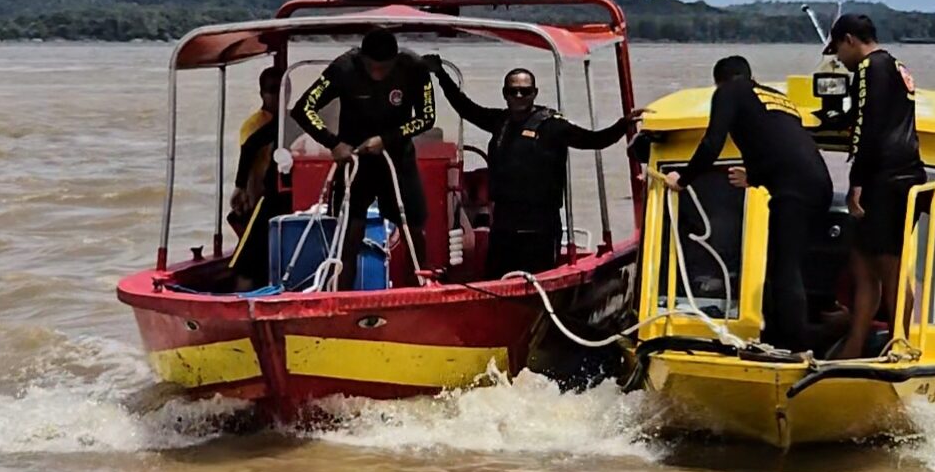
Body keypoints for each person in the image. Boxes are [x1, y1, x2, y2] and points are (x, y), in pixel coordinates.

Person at [663, 56, 834, 352]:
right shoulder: (776, 98)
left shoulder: (729, 91)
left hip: (793, 188)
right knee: (784, 263)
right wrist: (754, 176)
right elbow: (783, 145)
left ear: (720, 80)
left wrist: (684, 179)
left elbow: (712, 143)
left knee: (785, 268)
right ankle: (779, 337)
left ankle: (795, 346)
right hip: (817, 182)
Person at [423, 54, 645, 279]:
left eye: (525, 91)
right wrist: (440, 73)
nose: (519, 96)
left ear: (534, 93)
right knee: (497, 278)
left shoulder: (553, 126)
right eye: (513, 91)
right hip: (504, 223)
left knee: (538, 278)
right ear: (505, 94)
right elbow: (466, 108)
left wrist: (622, 125)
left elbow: (594, 140)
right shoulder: (500, 121)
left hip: (540, 225)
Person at [291, 27, 436, 289]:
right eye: (373, 68)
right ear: (362, 59)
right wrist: (333, 143)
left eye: (385, 68)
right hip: (356, 164)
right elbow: (304, 109)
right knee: (349, 235)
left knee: (414, 229)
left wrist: (387, 139)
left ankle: (418, 288)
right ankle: (342, 295)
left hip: (398, 160)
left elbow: (426, 118)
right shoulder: (343, 68)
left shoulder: (414, 68)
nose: (378, 74)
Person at [824, 14, 927, 359]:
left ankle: (901, 344)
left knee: (890, 268)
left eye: (838, 50)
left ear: (850, 40)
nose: (839, 59)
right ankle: (854, 345)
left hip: (887, 180)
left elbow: (868, 129)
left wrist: (856, 183)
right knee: (862, 263)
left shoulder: (870, 68)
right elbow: (869, 115)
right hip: (901, 175)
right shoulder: (894, 67)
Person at [228, 66, 290, 291]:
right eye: (272, 90)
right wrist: (241, 188)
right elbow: (250, 150)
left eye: (283, 90)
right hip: (262, 197)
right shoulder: (255, 125)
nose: (278, 96)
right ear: (262, 93)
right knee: (246, 263)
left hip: (292, 197)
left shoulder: (294, 118)